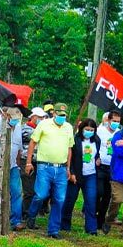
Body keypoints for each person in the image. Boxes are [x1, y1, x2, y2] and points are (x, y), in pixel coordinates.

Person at [24, 102, 74, 239]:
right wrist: (28, 162)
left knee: (59, 199)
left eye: (64, 115)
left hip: (61, 167)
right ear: (54, 113)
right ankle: (31, 215)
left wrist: (69, 168)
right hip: (44, 166)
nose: (62, 117)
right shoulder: (44, 124)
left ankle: (53, 230)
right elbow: (33, 142)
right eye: (59, 114)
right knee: (41, 194)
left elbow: (69, 149)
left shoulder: (68, 127)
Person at [61, 118, 100, 235]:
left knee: (91, 201)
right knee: (70, 200)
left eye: (91, 130)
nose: (89, 132)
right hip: (76, 174)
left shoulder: (96, 140)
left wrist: (98, 159)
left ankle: (91, 228)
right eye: (87, 129)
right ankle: (65, 224)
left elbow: (97, 154)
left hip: (91, 174)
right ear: (81, 129)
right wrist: (71, 172)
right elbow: (70, 158)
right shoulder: (75, 140)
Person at [96, 110, 121, 230]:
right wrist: (96, 158)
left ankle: (101, 221)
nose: (115, 123)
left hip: (113, 167)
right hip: (100, 166)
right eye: (114, 121)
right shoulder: (100, 131)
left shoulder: (119, 133)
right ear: (108, 120)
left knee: (107, 195)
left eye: (118, 121)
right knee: (99, 191)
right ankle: (93, 211)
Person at [21, 107, 46, 217]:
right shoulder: (26, 129)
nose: (42, 119)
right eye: (40, 117)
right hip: (27, 161)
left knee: (36, 190)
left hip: (38, 162)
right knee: (29, 190)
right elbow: (37, 138)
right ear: (33, 117)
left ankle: (30, 212)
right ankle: (25, 212)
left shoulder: (40, 129)